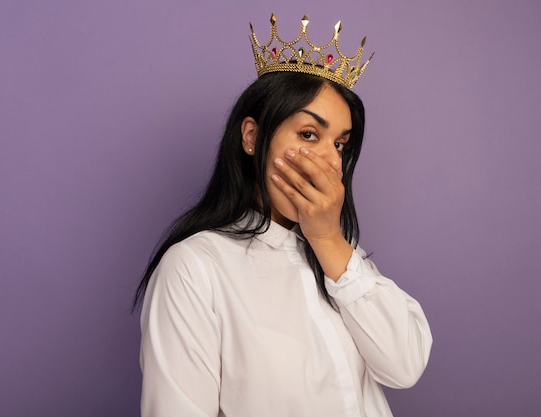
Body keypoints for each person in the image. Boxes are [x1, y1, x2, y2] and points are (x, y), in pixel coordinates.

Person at [133, 14, 432, 417]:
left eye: (340, 144)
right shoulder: (195, 268)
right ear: (252, 137)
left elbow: (405, 364)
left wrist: (328, 241)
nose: (329, 159)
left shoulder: (340, 256)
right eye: (309, 134)